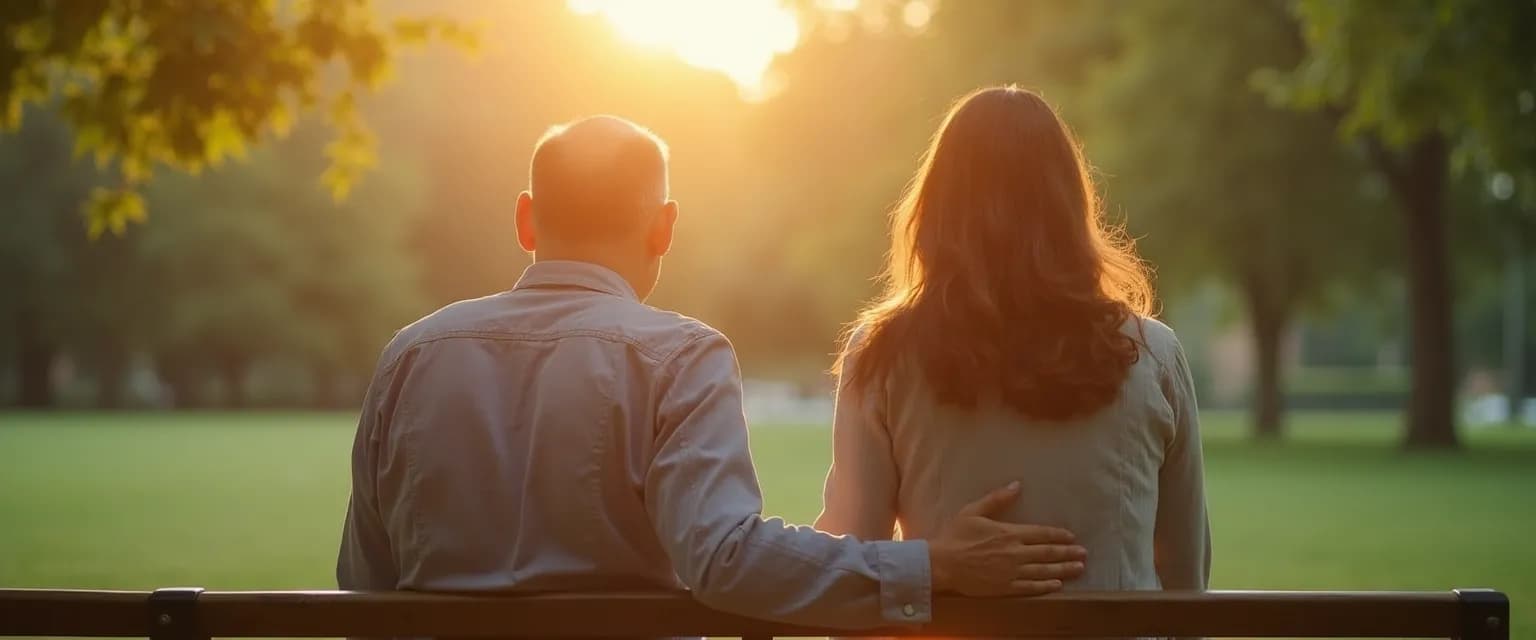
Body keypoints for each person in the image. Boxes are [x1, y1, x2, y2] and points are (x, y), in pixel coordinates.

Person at [337, 115, 1088, 630]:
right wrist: (931, 567)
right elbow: (725, 562)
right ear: (663, 227)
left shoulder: (412, 356)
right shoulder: (678, 357)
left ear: (527, 221)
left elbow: (363, 581)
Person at [817, 87, 1210, 598]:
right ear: (1070, 205)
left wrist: (931, 562)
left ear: (936, 209)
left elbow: (852, 561)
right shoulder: (1152, 353)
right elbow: (1187, 571)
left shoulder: (883, 354)